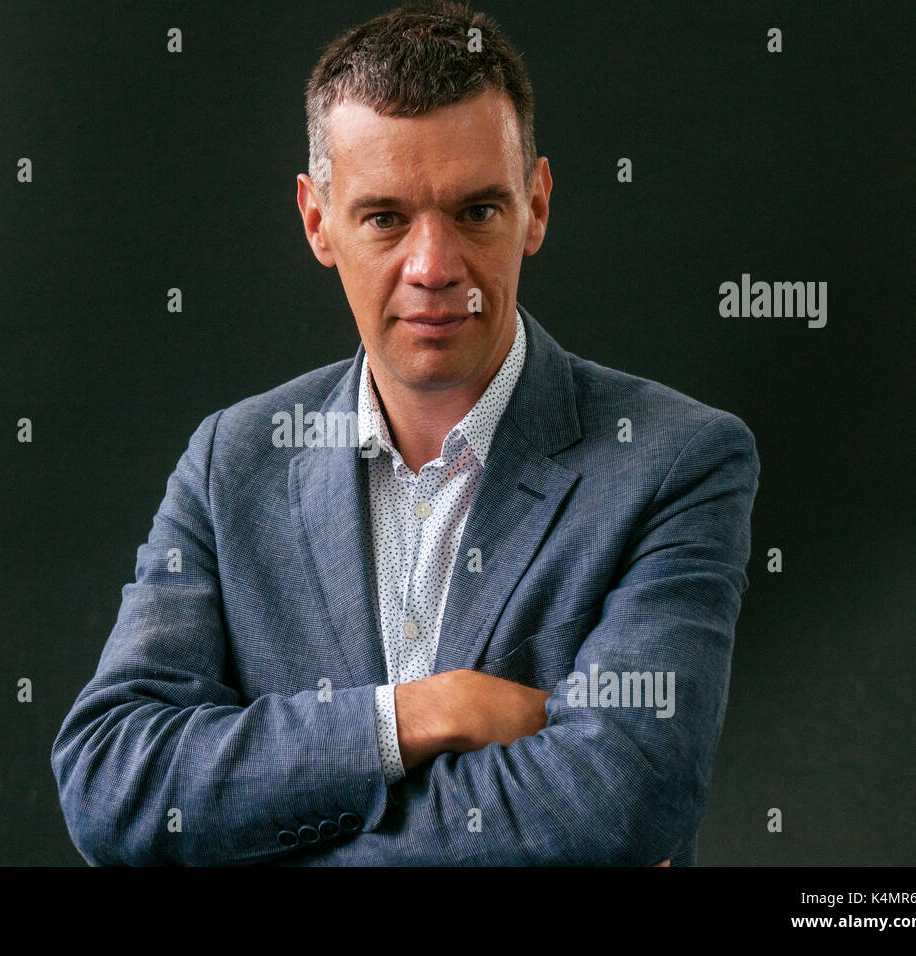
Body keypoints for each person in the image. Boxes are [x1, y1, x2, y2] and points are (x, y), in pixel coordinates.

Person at [51, 0, 759, 866]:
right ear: (318, 223)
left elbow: (616, 808)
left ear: (535, 207)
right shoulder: (231, 463)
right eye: (385, 218)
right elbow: (110, 781)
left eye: (476, 212)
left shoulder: (676, 462)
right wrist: (420, 714)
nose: (433, 268)